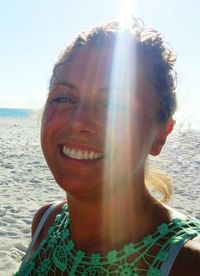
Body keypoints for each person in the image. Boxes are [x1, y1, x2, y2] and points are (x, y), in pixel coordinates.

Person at [15, 18, 200, 275]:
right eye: (65, 98)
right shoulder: (46, 222)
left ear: (160, 134)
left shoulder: (187, 263)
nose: (78, 121)